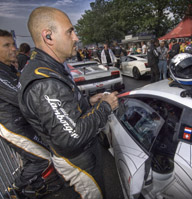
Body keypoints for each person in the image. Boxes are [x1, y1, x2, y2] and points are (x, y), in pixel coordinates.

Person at [18, 6, 119, 199]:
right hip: (78, 162)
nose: (76, 38)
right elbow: (72, 138)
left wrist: (89, 102)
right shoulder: (45, 82)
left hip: (81, 157)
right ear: (48, 37)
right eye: (70, 31)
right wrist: (105, 107)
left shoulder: (49, 67)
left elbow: (63, 111)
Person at [0, 29, 54, 198]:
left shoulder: (7, 68)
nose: (14, 48)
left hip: (21, 123)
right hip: (12, 127)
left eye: (13, 44)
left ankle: (39, 187)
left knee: (34, 158)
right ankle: (14, 188)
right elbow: (21, 98)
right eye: (7, 45)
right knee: (43, 158)